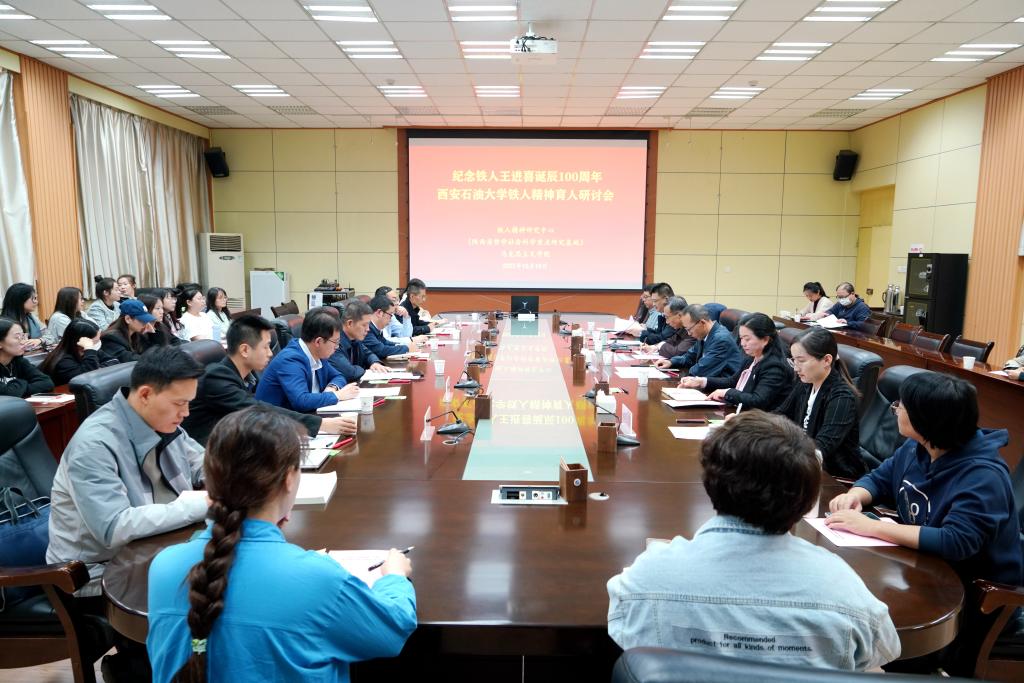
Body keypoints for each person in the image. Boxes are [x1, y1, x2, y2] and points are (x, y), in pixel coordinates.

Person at [607, 411, 900, 671]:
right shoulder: (843, 587)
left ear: (710, 484)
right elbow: (884, 650)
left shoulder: (649, 575)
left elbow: (623, 629)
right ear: (807, 499)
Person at [147, 407, 417, 683]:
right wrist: (395, 577)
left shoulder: (163, 567)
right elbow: (392, 631)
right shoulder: (318, 579)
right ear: (289, 479)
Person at [827, 371, 1022, 674]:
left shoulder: (983, 476)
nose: (895, 409)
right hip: (919, 571)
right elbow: (881, 478)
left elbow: (956, 541)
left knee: (873, 636)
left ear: (927, 419)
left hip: (971, 598)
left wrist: (873, 527)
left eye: (901, 405)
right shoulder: (917, 446)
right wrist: (856, 495)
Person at [46, 346, 209, 595]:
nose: (185, 413)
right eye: (180, 403)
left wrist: (231, 479)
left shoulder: (163, 422)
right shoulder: (94, 444)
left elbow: (203, 463)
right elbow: (113, 527)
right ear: (145, 394)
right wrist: (200, 504)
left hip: (156, 549)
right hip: (99, 573)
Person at [183, 315, 357, 444]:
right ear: (245, 350)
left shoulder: (241, 376)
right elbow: (256, 410)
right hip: (207, 461)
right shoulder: (217, 377)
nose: (270, 353)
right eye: (265, 347)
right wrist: (321, 424)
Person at [774, 327, 864, 479]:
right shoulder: (806, 382)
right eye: (793, 360)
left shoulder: (842, 397)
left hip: (836, 477)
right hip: (806, 463)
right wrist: (749, 423)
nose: (795, 368)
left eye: (801, 361)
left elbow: (822, 447)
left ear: (827, 360)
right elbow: (780, 414)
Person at [680, 312, 794, 411]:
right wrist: (702, 381)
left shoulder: (775, 366)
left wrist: (728, 393)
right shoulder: (751, 358)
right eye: (741, 338)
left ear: (765, 339)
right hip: (742, 413)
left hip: (762, 422)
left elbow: (758, 400)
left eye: (747, 339)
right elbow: (732, 381)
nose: (743, 344)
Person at [255, 308, 358, 413]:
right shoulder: (290, 360)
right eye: (335, 342)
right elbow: (301, 401)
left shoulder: (318, 354)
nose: (337, 347)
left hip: (306, 415)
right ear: (318, 342)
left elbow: (338, 376)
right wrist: (336, 395)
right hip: (274, 420)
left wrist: (332, 388)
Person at [655, 303, 743, 378]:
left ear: (702, 323)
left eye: (689, 329)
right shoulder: (705, 335)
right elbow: (689, 357)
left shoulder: (721, 340)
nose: (689, 334)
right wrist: (671, 362)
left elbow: (701, 370)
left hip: (720, 388)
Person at [39, 318, 118, 385]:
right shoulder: (63, 361)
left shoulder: (90, 351)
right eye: (95, 341)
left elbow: (114, 361)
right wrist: (89, 350)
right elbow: (88, 378)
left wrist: (98, 368)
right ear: (82, 341)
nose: (98, 342)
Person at [327, 299, 390, 383]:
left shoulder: (355, 338)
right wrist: (365, 369)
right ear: (350, 323)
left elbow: (368, 354)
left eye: (368, 324)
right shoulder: (334, 343)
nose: (368, 329)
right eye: (364, 325)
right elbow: (350, 373)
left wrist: (374, 362)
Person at [0, 317, 55, 397]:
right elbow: (7, 393)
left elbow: (47, 383)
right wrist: (23, 382)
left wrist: (17, 388)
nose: (24, 342)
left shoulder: (19, 361)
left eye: (23, 336)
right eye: (17, 337)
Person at [102, 299, 157, 363]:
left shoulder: (136, 334)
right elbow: (128, 358)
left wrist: (153, 334)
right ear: (128, 319)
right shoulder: (111, 338)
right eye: (142, 320)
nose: (146, 323)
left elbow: (153, 352)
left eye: (146, 320)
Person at [363, 295, 415, 360]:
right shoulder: (367, 329)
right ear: (379, 313)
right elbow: (381, 350)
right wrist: (407, 348)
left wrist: (405, 345)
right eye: (390, 314)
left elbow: (386, 343)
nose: (391, 319)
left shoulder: (376, 328)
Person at [1, 282, 45, 349]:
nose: (36, 302)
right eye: (34, 298)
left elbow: (48, 335)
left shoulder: (31, 318)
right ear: (20, 299)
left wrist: (40, 340)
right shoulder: (4, 323)